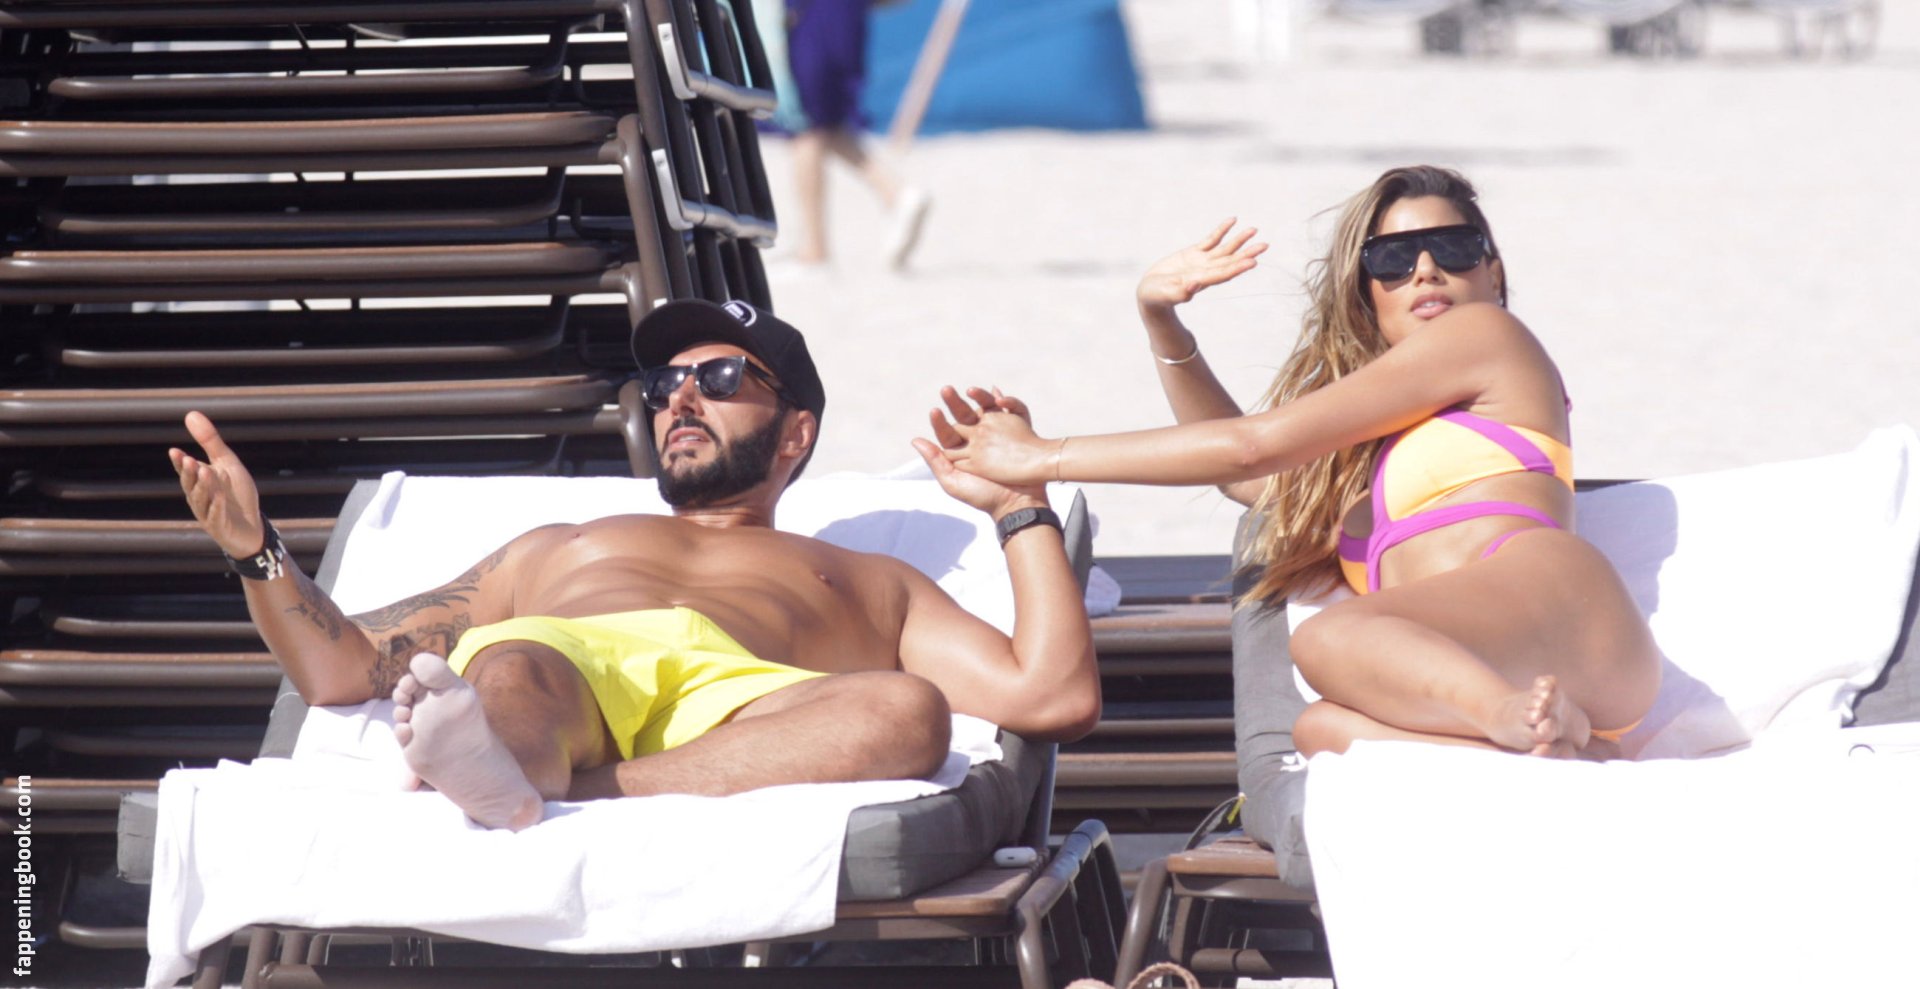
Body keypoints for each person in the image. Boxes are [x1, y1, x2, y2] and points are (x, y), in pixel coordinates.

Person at [169, 298, 1098, 831]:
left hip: (749, 703)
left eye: (719, 379)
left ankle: (530, 788)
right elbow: (343, 668)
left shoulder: (866, 579)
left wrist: (1020, 503)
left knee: (909, 709)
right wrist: (259, 551)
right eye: (663, 385)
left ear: (796, 433)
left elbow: (1052, 696)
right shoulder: (560, 545)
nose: (680, 398)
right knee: (513, 665)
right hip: (577, 662)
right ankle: (506, 760)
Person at [924, 165, 1660, 759]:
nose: (1426, 270)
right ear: (1367, 295)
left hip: (1557, 612)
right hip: (1501, 661)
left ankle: (1508, 719)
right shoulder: (1370, 464)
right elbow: (1245, 474)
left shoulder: (1488, 336)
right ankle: (1565, 746)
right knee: (1320, 729)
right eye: (1393, 259)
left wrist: (1043, 457)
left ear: (1493, 273)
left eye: (1455, 247)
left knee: (1330, 639)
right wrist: (1162, 321)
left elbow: (1255, 443)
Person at [783, 0, 931, 270]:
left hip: (811, 18)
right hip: (843, 19)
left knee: (806, 129)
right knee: (825, 124)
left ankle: (814, 251)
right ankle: (896, 194)